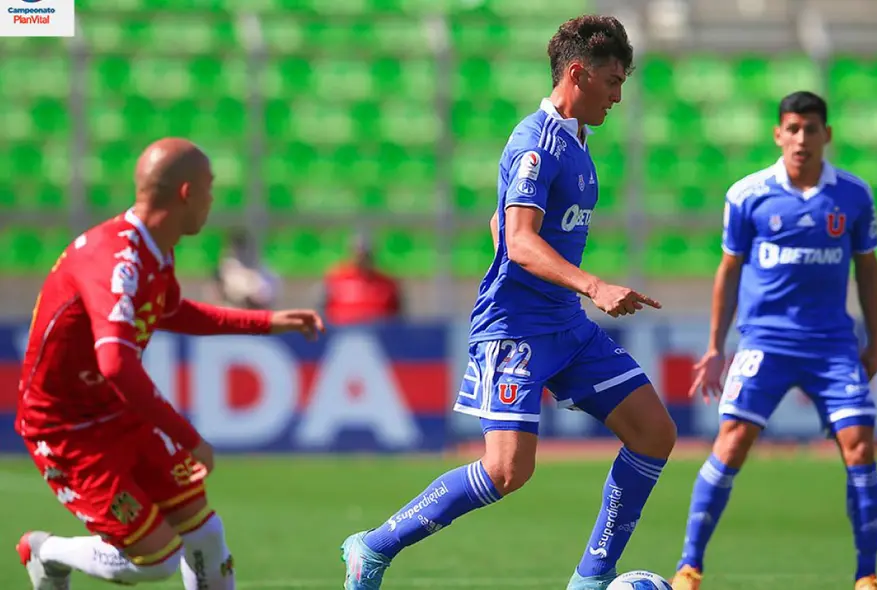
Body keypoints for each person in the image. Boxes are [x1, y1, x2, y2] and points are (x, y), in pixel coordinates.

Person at [340, 15, 676, 590]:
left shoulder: (579, 143)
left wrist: (528, 259)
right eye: (613, 81)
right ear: (577, 74)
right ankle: (372, 548)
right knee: (506, 471)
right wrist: (594, 285)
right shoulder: (537, 144)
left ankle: (592, 577)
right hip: (515, 330)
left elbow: (503, 224)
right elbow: (519, 240)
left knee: (654, 433)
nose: (619, 95)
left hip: (565, 326)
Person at [14, 138, 324, 589]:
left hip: (117, 411)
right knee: (155, 559)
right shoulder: (115, 261)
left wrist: (267, 322)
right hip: (67, 428)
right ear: (186, 194)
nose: (213, 201)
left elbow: (173, 311)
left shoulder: (155, 248)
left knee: (205, 534)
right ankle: (47, 552)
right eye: (209, 189)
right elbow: (116, 363)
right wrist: (188, 436)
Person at [672, 91, 877, 590]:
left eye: (811, 129)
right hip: (764, 342)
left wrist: (876, 337)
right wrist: (713, 346)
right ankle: (689, 565)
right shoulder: (747, 194)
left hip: (833, 344)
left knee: (859, 446)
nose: (802, 139)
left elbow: (869, 269)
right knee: (734, 440)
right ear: (778, 134)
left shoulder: (854, 195)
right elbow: (728, 272)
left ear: (826, 135)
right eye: (792, 129)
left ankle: (867, 575)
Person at [321, 232, 402, 326]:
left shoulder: (387, 283)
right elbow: (323, 310)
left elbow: (397, 315)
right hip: (342, 333)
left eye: (365, 254)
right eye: (358, 253)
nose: (361, 258)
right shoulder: (336, 279)